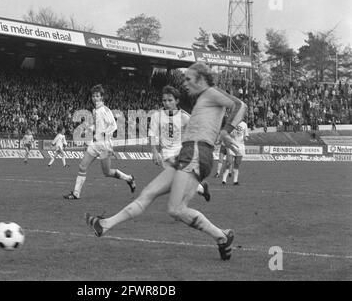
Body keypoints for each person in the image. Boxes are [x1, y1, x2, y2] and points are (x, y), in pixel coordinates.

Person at [85, 62, 246, 261]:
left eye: (188, 78)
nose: (184, 82)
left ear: (201, 78)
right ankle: (105, 225)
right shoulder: (202, 100)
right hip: (186, 153)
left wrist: (225, 131)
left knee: (176, 209)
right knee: (148, 193)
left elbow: (240, 105)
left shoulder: (211, 93)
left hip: (196, 152)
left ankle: (222, 236)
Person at [64, 84, 136, 200]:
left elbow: (114, 126)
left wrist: (104, 134)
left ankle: (129, 178)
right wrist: (89, 129)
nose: (95, 98)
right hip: (95, 144)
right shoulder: (95, 110)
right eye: (93, 96)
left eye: (97, 96)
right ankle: (76, 193)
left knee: (107, 172)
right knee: (82, 166)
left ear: (102, 97)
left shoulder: (104, 110)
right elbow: (98, 125)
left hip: (105, 145)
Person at [149, 85, 210, 202]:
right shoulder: (156, 116)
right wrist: (154, 151)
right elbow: (152, 134)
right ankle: (201, 188)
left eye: (170, 100)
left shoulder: (185, 117)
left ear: (177, 101)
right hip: (165, 152)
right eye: (164, 100)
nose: (166, 103)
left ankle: (180, 207)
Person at [221, 120, 249, 185]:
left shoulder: (244, 124)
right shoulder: (231, 123)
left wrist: (245, 138)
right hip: (232, 145)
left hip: (240, 147)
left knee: (237, 164)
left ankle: (235, 181)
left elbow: (246, 135)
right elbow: (225, 134)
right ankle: (224, 180)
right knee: (229, 162)